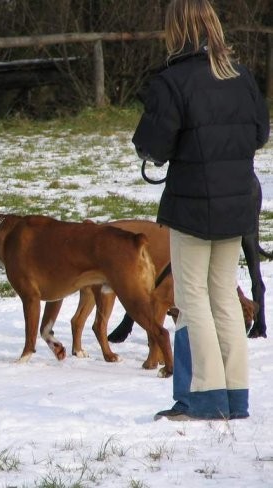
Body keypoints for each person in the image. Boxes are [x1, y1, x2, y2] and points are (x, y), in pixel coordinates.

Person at [132, 0, 270, 421]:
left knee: (192, 300)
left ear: (175, 31)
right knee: (224, 296)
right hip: (237, 202)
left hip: (192, 206)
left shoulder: (172, 81)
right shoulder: (241, 76)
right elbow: (260, 133)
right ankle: (235, 396)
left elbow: (153, 145)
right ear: (213, 27)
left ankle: (203, 397)